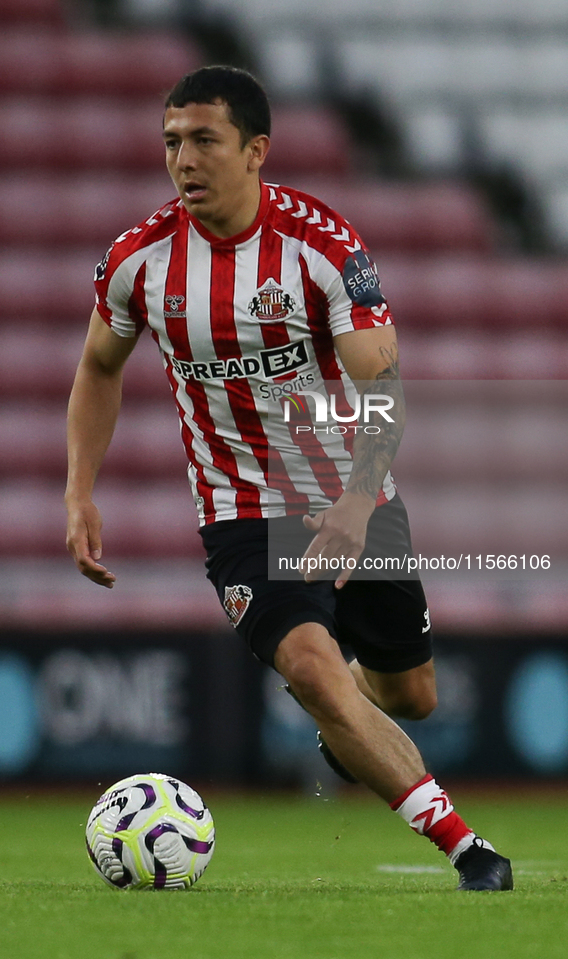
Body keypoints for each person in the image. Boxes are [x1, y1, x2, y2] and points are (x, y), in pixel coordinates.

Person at [65, 65, 512, 892]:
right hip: (240, 512)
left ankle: (344, 731)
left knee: (408, 697)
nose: (183, 160)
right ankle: (466, 847)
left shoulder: (324, 246)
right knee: (312, 670)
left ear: (254, 150)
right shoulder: (139, 262)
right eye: (171, 142)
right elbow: (98, 366)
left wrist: (352, 499)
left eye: (204, 140)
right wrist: (79, 489)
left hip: (354, 492)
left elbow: (385, 388)